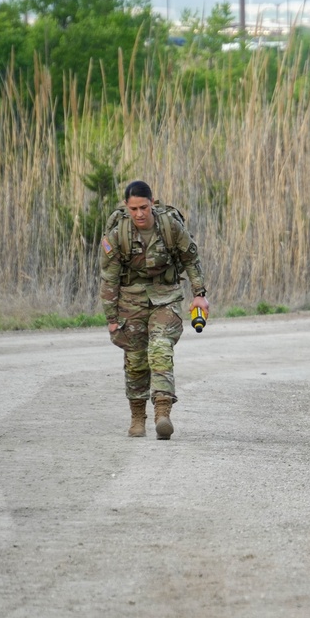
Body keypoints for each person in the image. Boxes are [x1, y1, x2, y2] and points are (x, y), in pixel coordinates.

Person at [100, 181, 209, 440]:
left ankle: (163, 413)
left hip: (166, 296)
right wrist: (112, 318)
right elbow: (109, 278)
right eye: (133, 209)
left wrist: (199, 295)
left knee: (160, 349)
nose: (139, 214)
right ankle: (137, 417)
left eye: (144, 207)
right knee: (136, 359)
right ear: (126, 207)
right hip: (131, 299)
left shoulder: (170, 226)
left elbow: (191, 259)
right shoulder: (118, 234)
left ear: (152, 203)